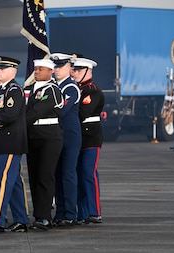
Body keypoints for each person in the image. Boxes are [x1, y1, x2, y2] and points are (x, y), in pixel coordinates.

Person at [0, 56, 29, 232]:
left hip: (11, 142)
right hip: (5, 141)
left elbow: (10, 114)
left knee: (1, 181)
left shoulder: (14, 90)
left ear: (12, 71)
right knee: (14, 182)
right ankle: (21, 219)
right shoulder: (3, 90)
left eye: (1, 69)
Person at [25, 58, 63, 230]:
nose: (37, 72)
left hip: (49, 137)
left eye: (41, 69)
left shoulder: (52, 90)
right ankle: (38, 215)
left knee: (45, 176)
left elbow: (37, 111)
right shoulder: (33, 90)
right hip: (34, 136)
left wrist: (17, 123)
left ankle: (46, 216)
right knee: (34, 177)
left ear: (50, 72)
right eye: (36, 69)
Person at [72, 57, 104, 224]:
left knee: (88, 173)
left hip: (90, 137)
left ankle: (94, 211)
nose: (75, 73)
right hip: (78, 138)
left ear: (88, 71)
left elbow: (82, 113)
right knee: (77, 174)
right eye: (74, 70)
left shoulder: (92, 91)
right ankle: (82, 213)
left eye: (78, 70)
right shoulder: (75, 89)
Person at [50, 53, 82, 226]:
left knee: (68, 175)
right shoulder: (54, 87)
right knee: (57, 174)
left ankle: (71, 213)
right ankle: (61, 212)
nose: (56, 70)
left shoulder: (71, 88)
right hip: (57, 136)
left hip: (70, 137)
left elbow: (62, 110)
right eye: (54, 67)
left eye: (59, 67)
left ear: (69, 68)